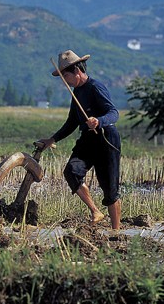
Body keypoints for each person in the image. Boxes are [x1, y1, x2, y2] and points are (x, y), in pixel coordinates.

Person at [39, 50, 122, 229]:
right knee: (72, 171)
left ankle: (116, 232)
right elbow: (71, 122)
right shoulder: (76, 92)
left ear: (77, 71)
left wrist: (99, 121)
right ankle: (95, 211)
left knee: (110, 189)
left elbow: (113, 113)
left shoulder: (95, 87)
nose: (65, 81)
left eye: (66, 76)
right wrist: (52, 139)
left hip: (106, 138)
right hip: (88, 140)